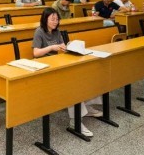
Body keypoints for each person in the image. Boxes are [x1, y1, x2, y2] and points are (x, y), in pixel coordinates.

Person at [32, 8, 102, 137]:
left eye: (57, 19)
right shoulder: (39, 31)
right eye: (52, 19)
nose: (55, 22)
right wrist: (51, 47)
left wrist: (66, 47)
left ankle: (87, 107)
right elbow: (35, 53)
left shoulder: (57, 31)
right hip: (45, 68)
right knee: (71, 85)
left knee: (86, 77)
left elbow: (62, 46)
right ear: (45, 19)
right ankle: (75, 121)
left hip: (58, 64)